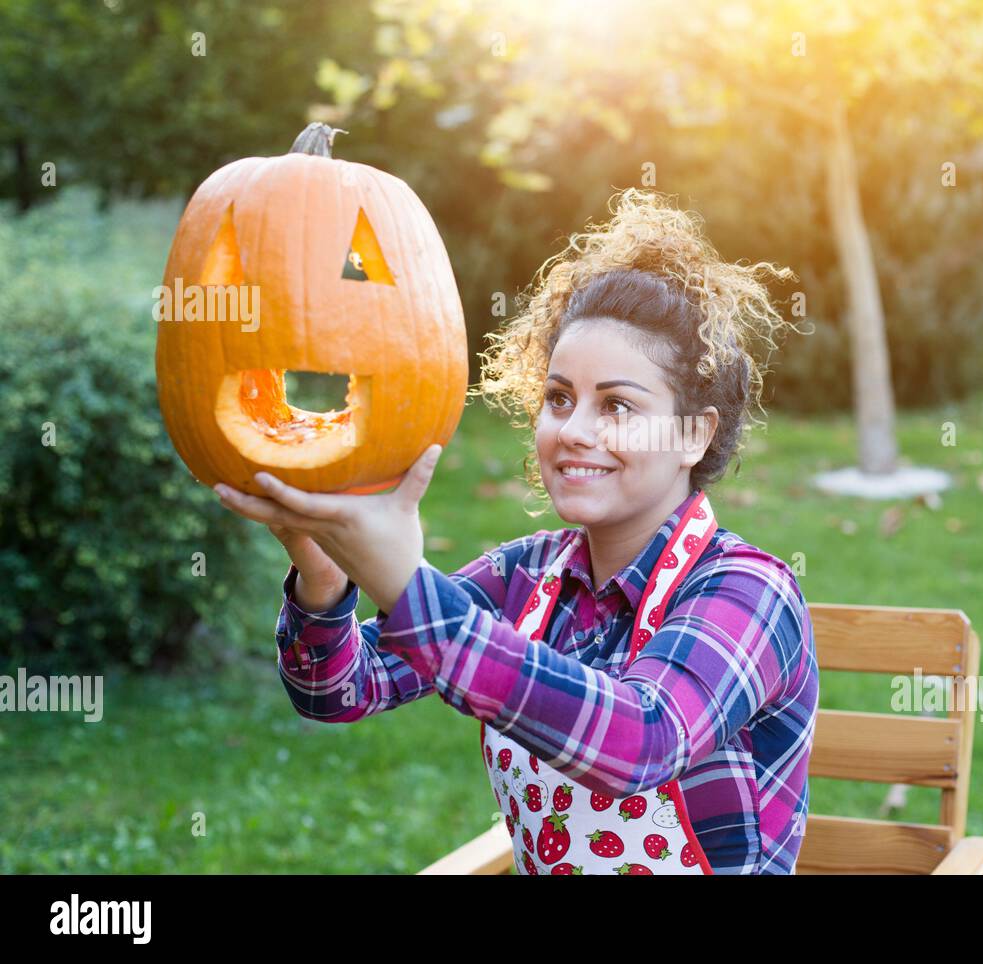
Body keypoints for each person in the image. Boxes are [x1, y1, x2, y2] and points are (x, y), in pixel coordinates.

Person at [215, 187, 819, 875]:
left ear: (693, 433)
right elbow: (339, 690)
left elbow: (640, 740)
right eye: (559, 398)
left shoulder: (749, 591)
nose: (574, 431)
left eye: (617, 404)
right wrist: (325, 579)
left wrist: (406, 587)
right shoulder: (524, 578)